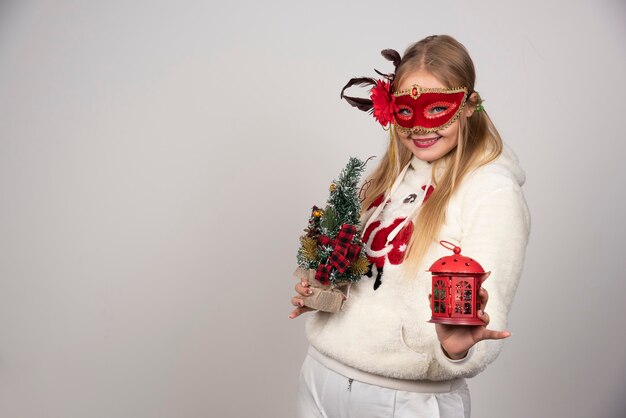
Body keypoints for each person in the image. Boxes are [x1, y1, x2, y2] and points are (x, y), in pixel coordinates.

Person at [289, 34, 530, 418]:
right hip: (321, 377)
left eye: (436, 108)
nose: (419, 127)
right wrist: (322, 290)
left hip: (405, 399)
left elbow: (486, 312)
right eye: (405, 111)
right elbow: (363, 274)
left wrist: (458, 347)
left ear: (468, 105)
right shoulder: (386, 177)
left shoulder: (491, 191)